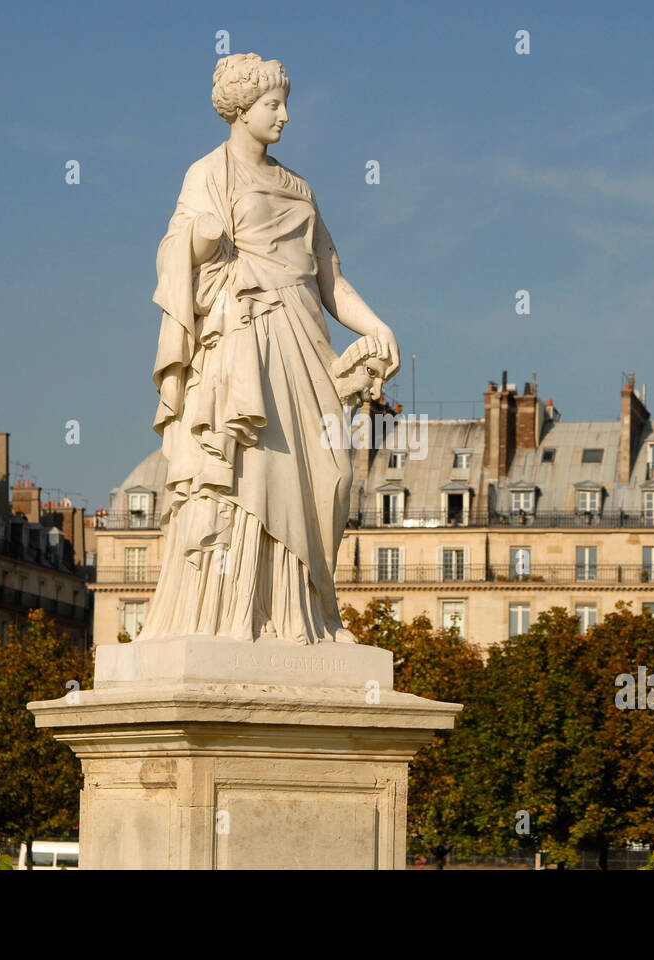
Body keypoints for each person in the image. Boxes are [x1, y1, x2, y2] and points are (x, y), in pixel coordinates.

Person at [139, 53, 400, 646]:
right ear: (240, 109)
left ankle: (306, 608)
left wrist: (376, 326)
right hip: (244, 334)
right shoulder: (208, 173)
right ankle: (236, 612)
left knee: (326, 475)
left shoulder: (298, 186)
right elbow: (173, 254)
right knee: (245, 470)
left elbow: (331, 278)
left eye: (283, 103)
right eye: (272, 105)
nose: (283, 115)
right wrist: (200, 241)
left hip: (305, 335)